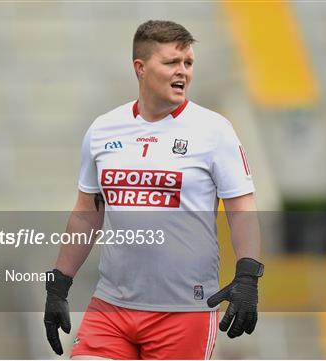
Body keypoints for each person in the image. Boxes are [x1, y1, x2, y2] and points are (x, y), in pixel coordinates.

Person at [44, 20, 264, 360]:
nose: (183, 72)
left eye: (188, 63)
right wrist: (59, 284)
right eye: (172, 63)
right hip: (112, 307)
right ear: (140, 68)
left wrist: (248, 276)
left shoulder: (214, 130)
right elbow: (87, 215)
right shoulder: (103, 129)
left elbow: (242, 210)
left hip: (183, 312)